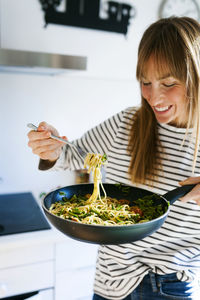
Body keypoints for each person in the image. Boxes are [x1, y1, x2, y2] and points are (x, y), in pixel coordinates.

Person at [27, 17, 200, 300]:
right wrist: (51, 148)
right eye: (145, 82)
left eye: (168, 83)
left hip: (170, 286)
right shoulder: (127, 123)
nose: (154, 97)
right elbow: (71, 155)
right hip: (109, 282)